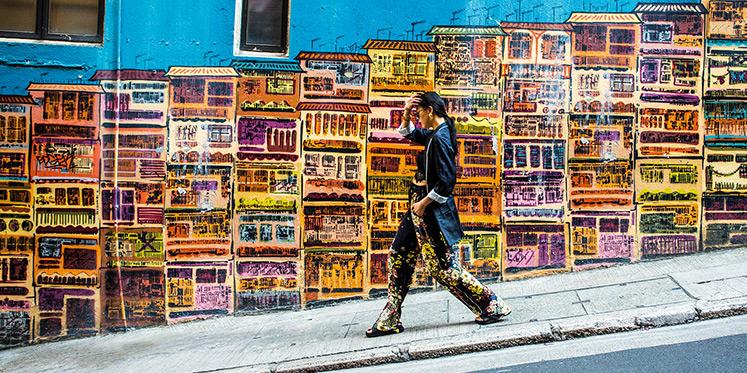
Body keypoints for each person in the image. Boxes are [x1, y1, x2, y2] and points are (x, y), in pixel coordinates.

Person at [366, 92, 511, 338]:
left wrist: (422, 204)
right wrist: (405, 113)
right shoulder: (435, 133)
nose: (418, 117)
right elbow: (409, 134)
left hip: (428, 211)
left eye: (419, 112)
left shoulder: (441, 138)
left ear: (430, 110)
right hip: (418, 207)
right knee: (399, 255)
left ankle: (491, 303)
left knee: (442, 268)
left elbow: (446, 182)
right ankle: (390, 317)